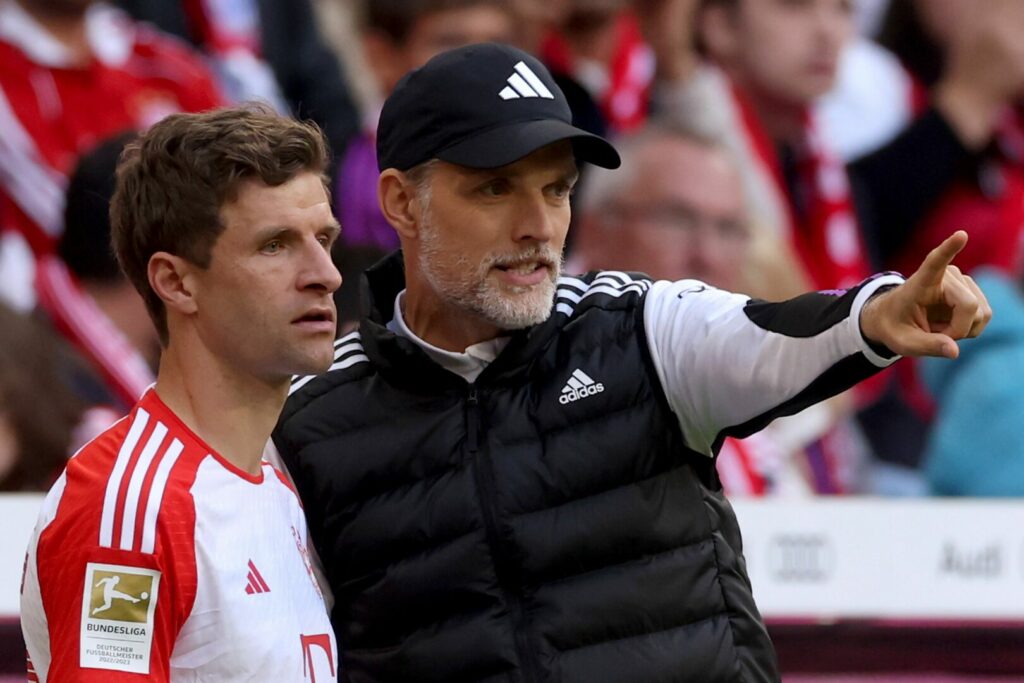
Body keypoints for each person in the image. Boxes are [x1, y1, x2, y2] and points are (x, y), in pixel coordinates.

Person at [273, 43, 990, 682]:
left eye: (557, 189)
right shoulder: (306, 417)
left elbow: (773, 335)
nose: (538, 225)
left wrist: (878, 314)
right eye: (496, 187)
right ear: (401, 201)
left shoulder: (637, 326)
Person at [20, 105, 342, 682]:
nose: (326, 274)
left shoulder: (275, 486)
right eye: (275, 245)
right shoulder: (129, 510)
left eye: (324, 239)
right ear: (175, 282)